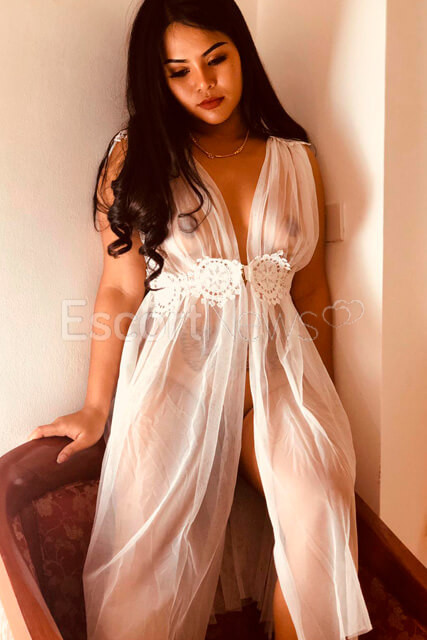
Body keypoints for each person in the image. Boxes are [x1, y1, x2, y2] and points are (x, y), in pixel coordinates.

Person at [26, 1, 373, 638]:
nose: (204, 83)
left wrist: (320, 403)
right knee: (144, 568)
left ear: (242, 52)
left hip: (274, 384)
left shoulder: (296, 159)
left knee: (322, 510)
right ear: (157, 78)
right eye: (179, 71)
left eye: (216, 59)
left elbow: (312, 290)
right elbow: (119, 290)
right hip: (178, 382)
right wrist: (97, 406)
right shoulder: (137, 158)